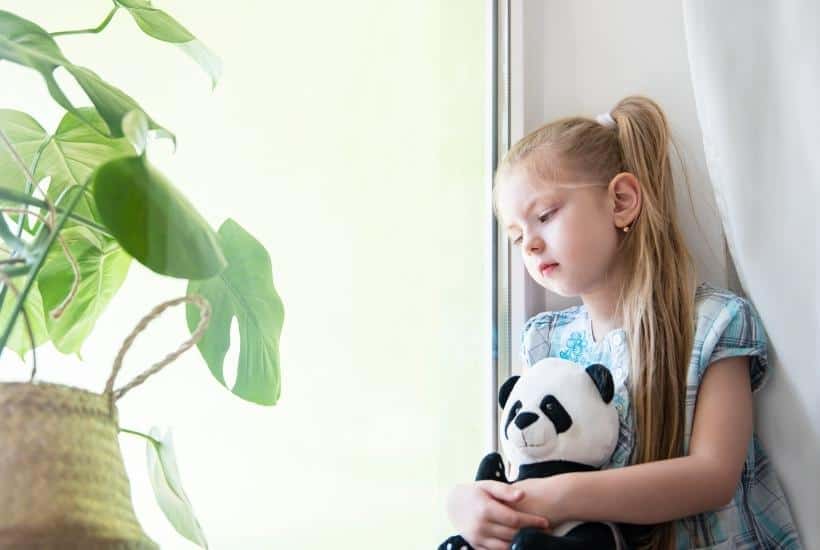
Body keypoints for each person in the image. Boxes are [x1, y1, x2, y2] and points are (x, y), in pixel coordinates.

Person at [444, 96, 802, 550]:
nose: (530, 245)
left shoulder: (712, 323)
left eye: (545, 216)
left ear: (621, 201)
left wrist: (558, 496)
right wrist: (467, 502)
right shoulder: (544, 341)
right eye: (517, 236)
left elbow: (712, 476)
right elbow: (529, 459)